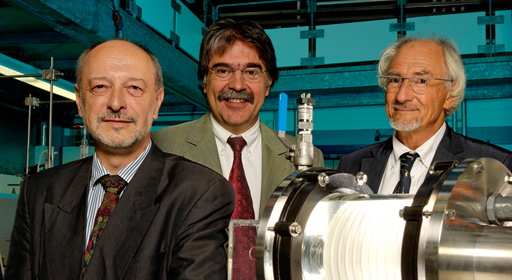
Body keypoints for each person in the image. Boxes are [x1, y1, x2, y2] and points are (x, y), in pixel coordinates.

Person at [6, 39, 234, 280]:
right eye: (100, 87)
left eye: (134, 88)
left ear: (156, 102)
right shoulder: (40, 191)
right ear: (79, 100)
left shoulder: (199, 193)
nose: (116, 103)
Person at [152, 19, 324, 219]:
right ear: (205, 81)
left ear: (268, 85)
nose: (237, 85)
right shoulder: (160, 148)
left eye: (251, 72)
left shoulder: (309, 159)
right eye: (223, 71)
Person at [337, 35, 512, 194]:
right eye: (395, 80)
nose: (402, 96)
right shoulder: (350, 165)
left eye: (421, 81)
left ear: (450, 94)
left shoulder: (496, 167)